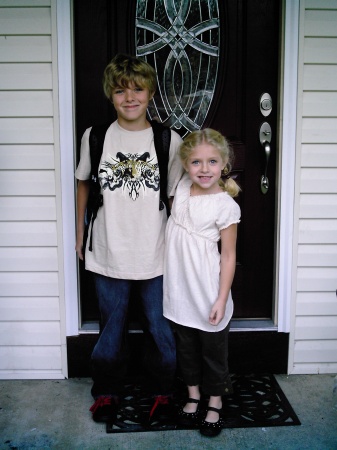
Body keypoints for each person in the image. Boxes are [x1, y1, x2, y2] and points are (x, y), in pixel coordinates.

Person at [75, 54, 183, 424]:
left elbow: (177, 196)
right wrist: (79, 234)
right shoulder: (97, 136)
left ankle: (163, 391)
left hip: (156, 249)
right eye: (120, 90)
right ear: (110, 95)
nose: (130, 97)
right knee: (112, 325)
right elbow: (83, 184)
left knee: (159, 325)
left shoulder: (168, 139)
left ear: (150, 92)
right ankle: (106, 391)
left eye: (137, 89)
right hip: (108, 247)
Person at [163, 128, 241, 437]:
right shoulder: (182, 187)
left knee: (212, 349)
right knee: (187, 347)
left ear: (224, 164)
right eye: (196, 162)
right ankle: (193, 395)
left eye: (212, 162)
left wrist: (221, 298)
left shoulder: (225, 206)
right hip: (179, 290)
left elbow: (228, 257)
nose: (204, 169)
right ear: (185, 165)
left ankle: (215, 400)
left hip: (208, 291)